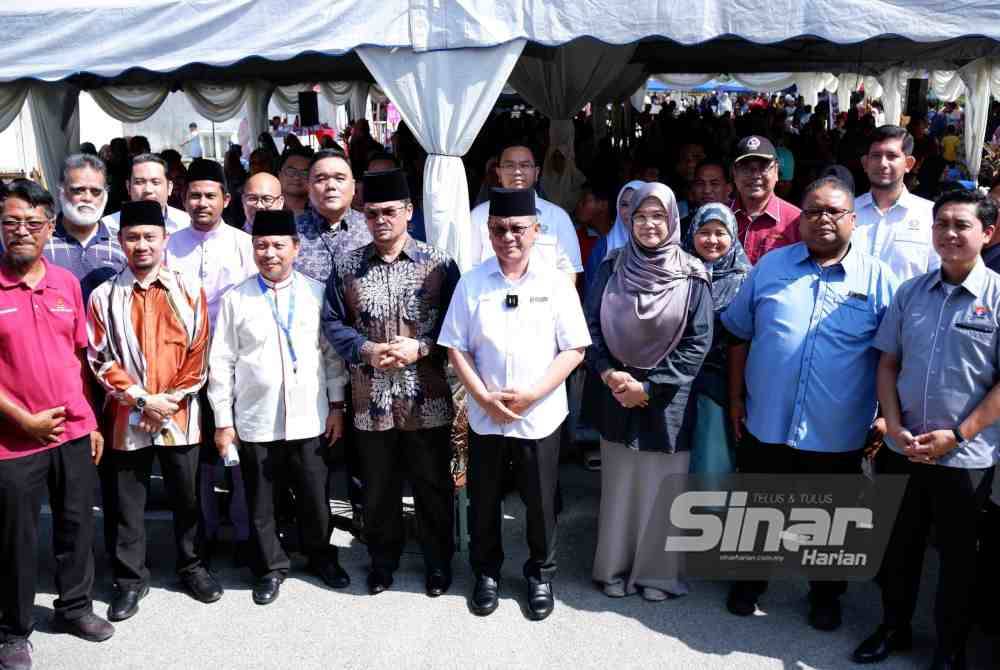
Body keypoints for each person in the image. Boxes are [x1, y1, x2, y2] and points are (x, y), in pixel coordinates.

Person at [722, 177, 898, 630]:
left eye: (834, 211)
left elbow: (892, 357)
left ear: (852, 220)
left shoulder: (878, 279)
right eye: (814, 210)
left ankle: (826, 594)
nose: (823, 219)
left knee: (831, 515)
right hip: (768, 420)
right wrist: (737, 399)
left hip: (837, 427)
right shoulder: (770, 268)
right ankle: (748, 582)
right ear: (800, 217)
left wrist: (884, 416)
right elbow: (740, 334)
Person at [853, 189, 1000, 668]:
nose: (951, 234)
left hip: (966, 456)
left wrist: (957, 436)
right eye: (943, 225)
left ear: (988, 234)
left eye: (962, 225)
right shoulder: (910, 291)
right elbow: (888, 363)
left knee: (958, 558)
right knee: (899, 547)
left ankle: (949, 648)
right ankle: (892, 627)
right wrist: (893, 426)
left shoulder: (997, 297)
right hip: (905, 447)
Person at [438, 187, 591, 620]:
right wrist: (482, 396)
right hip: (486, 415)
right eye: (500, 228)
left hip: (539, 415)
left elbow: (574, 349)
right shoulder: (472, 282)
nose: (509, 236)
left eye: (518, 228)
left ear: (536, 230)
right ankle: (486, 572)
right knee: (483, 499)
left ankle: (540, 574)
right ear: (488, 232)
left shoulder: (556, 283)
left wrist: (532, 394)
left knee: (541, 502)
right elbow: (456, 348)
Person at [322, 169, 459, 597]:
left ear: (409, 212)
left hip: (427, 400)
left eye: (391, 212)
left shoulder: (439, 264)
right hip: (371, 403)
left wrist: (421, 347)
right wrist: (365, 349)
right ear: (364, 215)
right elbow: (331, 323)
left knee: (432, 488)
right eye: (373, 213)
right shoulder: (346, 267)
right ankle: (382, 563)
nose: (382, 220)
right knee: (377, 491)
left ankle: (438, 564)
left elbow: (459, 326)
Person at [87, 200, 221, 622]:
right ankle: (129, 579)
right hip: (127, 418)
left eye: (149, 236)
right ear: (120, 241)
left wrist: (167, 403)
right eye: (132, 237)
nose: (141, 245)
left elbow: (199, 354)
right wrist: (144, 400)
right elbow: (99, 359)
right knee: (126, 501)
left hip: (180, 415)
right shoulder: (104, 296)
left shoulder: (187, 290)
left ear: (165, 239)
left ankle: (192, 566)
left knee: (187, 496)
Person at [0, 180, 114, 670]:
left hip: (70, 429)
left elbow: (78, 358)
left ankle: (74, 607)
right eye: (10, 222)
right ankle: (12, 630)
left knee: (75, 523)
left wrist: (89, 421)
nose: (20, 231)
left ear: (50, 228)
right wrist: (21, 418)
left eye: (31, 222)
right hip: (13, 437)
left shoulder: (66, 283)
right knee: (15, 536)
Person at [209, 209, 349, 604]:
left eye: (278, 245)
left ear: (295, 248)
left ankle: (322, 557)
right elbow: (221, 363)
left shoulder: (316, 293)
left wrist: (337, 406)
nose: (269, 253)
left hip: (310, 416)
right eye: (261, 246)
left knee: (314, 496)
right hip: (256, 418)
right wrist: (223, 422)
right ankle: (270, 567)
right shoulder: (237, 298)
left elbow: (331, 356)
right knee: (261, 501)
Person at [585, 182, 713, 600]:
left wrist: (650, 386)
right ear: (630, 219)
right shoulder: (611, 265)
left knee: (663, 486)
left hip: (668, 397)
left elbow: (697, 343)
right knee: (620, 485)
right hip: (616, 390)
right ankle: (614, 569)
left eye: (659, 216)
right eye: (641, 216)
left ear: (674, 219)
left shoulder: (693, 274)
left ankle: (656, 575)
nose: (649, 225)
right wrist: (609, 375)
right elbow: (590, 327)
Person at [165, 158, 255, 560]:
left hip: (234, 367)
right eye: (194, 195)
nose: (202, 203)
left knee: (239, 451)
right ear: (183, 199)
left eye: (210, 195)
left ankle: (243, 534)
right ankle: (200, 536)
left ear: (226, 199)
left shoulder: (243, 244)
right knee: (193, 457)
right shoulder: (168, 244)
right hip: (182, 369)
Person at [682, 203, 751, 475]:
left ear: (732, 235)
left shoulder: (745, 278)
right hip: (677, 383)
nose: (712, 240)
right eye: (704, 232)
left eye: (720, 233)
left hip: (721, 385)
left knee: (711, 464)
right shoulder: (677, 272)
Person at [468, 143, 583, 279]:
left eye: (525, 165)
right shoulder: (478, 216)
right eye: (510, 165)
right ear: (498, 173)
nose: (517, 172)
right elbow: (470, 269)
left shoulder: (558, 217)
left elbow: (568, 272)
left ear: (536, 173)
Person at [853, 125, 939, 282]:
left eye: (892, 156)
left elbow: (939, 275)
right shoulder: (847, 212)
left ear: (908, 164)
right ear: (865, 163)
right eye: (876, 156)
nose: (883, 163)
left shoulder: (931, 215)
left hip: (907, 306)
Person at [45, 154, 127, 302]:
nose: (87, 198)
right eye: (79, 190)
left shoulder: (122, 244)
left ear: (106, 195)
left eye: (96, 191)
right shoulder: (40, 240)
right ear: (61, 191)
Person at [294, 149, 372, 284]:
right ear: (308, 187)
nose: (331, 186)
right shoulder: (291, 231)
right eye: (321, 179)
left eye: (339, 179)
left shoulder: (371, 227)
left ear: (353, 187)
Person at [729, 135, 802, 264]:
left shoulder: (796, 220)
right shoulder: (720, 216)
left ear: (776, 171)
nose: (755, 175)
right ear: (734, 173)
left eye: (763, 167)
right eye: (746, 167)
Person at [102, 153, 191, 236]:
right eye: (139, 182)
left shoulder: (187, 224)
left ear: (169, 187)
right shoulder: (108, 227)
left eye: (155, 182)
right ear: (128, 187)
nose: (148, 190)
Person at [583, 180, 644, 290]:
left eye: (636, 203)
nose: (630, 210)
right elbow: (591, 295)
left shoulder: (662, 249)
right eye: (625, 204)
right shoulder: (602, 246)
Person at [680, 158, 733, 248]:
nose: (707, 190)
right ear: (693, 188)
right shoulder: (681, 228)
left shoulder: (738, 224)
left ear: (728, 189)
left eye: (714, 184)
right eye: (700, 183)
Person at [277, 147, 313, 217]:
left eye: (305, 173)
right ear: (279, 175)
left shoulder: (322, 211)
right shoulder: (266, 207)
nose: (296, 177)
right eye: (291, 171)